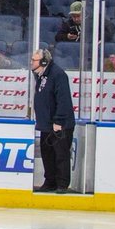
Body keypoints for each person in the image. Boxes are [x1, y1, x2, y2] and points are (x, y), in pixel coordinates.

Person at [31, 48, 75, 193]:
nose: (31, 62)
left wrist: (59, 121)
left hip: (58, 124)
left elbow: (63, 100)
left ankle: (62, 184)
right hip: (45, 124)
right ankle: (50, 181)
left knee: (60, 154)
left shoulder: (58, 75)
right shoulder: (41, 76)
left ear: (44, 61)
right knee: (47, 153)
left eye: (34, 60)